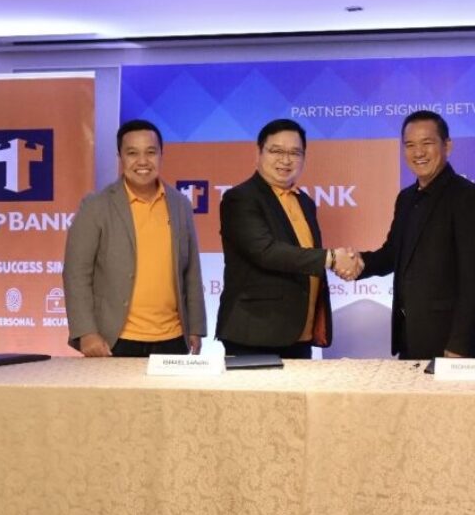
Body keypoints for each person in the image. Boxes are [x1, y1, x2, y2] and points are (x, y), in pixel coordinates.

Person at [215, 119, 358, 358]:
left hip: (299, 333)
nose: (286, 160)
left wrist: (346, 262)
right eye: (276, 151)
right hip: (255, 333)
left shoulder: (305, 202)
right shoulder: (240, 198)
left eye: (294, 153)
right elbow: (265, 251)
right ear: (259, 153)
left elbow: (304, 258)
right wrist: (332, 258)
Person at [63, 119, 206, 357]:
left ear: (161, 155)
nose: (142, 161)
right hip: (114, 341)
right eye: (132, 153)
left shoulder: (180, 204)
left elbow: (191, 271)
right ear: (120, 157)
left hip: (173, 339)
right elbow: (76, 273)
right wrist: (86, 332)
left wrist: (196, 327)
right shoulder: (96, 206)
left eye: (150, 152)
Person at [358, 110, 475, 359]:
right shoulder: (406, 198)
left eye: (427, 143)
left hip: (451, 344)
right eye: (410, 145)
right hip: (410, 338)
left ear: (447, 146)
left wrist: (460, 343)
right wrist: (355, 264)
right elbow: (392, 255)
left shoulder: (468, 197)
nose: (418, 152)